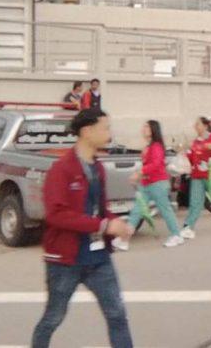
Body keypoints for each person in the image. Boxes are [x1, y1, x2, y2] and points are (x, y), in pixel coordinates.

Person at [31, 108, 134, 348]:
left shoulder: (98, 167)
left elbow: (100, 208)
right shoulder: (61, 169)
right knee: (53, 317)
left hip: (98, 258)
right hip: (65, 261)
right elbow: (56, 214)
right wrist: (104, 224)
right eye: (105, 128)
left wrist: (117, 223)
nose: (109, 133)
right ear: (87, 131)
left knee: (117, 314)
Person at [115, 121, 183, 250]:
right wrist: (139, 176)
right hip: (146, 184)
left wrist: (139, 172)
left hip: (158, 184)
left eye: (146, 126)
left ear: (153, 130)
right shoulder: (149, 146)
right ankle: (125, 239)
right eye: (144, 126)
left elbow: (156, 164)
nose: (143, 128)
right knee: (137, 211)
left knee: (165, 210)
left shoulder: (156, 146)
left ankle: (176, 235)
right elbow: (147, 165)